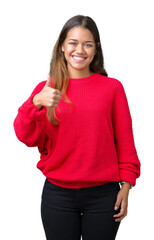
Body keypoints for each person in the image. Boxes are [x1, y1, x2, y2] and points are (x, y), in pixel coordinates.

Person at [13, 15, 141, 240]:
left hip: (104, 195)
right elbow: (26, 136)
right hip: (58, 194)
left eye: (87, 44)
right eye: (73, 42)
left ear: (95, 49)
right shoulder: (47, 89)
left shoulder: (112, 88)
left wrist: (127, 184)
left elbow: (125, 139)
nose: (79, 50)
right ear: (62, 46)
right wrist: (34, 103)